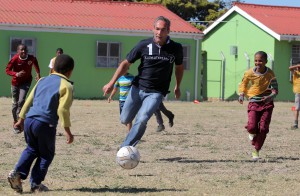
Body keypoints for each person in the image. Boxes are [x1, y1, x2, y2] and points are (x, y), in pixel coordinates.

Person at [102, 16, 184, 147]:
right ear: (153, 29)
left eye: (163, 30)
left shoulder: (176, 48)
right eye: (157, 29)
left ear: (168, 31)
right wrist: (111, 83)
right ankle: (137, 113)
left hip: (156, 92)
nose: (159, 33)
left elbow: (179, 67)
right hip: (137, 88)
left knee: (142, 119)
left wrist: (177, 86)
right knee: (124, 119)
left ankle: (126, 147)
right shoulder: (143, 45)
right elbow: (125, 63)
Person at [7, 54, 75, 193]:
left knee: (31, 149)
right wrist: (68, 131)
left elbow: (28, 101)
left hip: (30, 120)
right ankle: (36, 184)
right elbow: (62, 109)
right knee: (46, 154)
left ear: (53, 68)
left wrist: (21, 119)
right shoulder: (67, 85)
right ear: (70, 71)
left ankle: (17, 174)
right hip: (45, 123)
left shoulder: (42, 80)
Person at [238, 51, 278, 161]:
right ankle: (251, 131)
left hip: (267, 104)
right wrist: (241, 94)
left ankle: (256, 149)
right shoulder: (249, 73)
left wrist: (269, 98)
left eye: (260, 60)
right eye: (256, 60)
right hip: (254, 102)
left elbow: (275, 90)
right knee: (252, 127)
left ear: (266, 61)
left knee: (263, 128)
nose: (258, 62)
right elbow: (243, 84)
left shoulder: (270, 74)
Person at [5, 44, 41, 134]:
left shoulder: (31, 58)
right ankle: (15, 121)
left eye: (25, 50)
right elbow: (7, 70)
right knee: (15, 104)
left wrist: (38, 73)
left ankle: (19, 123)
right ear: (18, 51)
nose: (24, 51)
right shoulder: (15, 59)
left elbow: (35, 62)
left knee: (21, 101)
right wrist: (16, 74)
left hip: (26, 82)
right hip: (15, 83)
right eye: (21, 50)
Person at [289, 61, 300, 129]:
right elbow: (290, 68)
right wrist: (297, 65)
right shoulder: (295, 73)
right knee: (297, 108)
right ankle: (295, 124)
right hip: (298, 93)